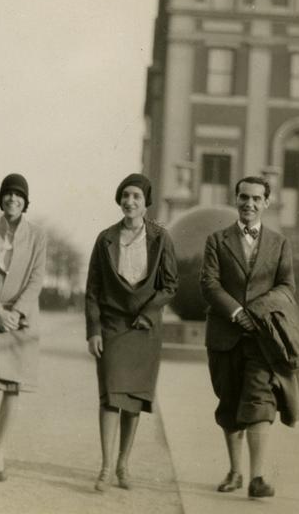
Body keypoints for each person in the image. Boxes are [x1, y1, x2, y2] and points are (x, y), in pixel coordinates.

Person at [200, 176, 299, 499]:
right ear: (236, 199)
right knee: (229, 401)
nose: (249, 204)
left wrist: (254, 311)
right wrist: (235, 312)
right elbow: (209, 284)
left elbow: (286, 287)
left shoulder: (280, 243)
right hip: (225, 336)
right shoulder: (217, 240)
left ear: (267, 203)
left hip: (262, 337)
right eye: (244, 197)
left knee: (260, 400)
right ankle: (235, 471)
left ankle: (258, 477)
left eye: (257, 199)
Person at [85, 173, 178, 492]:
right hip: (112, 325)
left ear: (146, 202)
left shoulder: (161, 237)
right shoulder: (105, 238)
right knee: (111, 396)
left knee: (134, 398)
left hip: (145, 328)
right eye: (125, 195)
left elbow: (169, 285)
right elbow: (93, 290)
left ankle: (124, 464)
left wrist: (149, 313)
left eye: (137, 196)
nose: (130, 201)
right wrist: (93, 330)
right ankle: (106, 466)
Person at [0, 173, 47, 481]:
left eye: (18, 195)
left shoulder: (38, 235)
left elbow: (36, 279)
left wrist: (16, 312)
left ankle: (0, 451)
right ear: (1, 198)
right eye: (8, 194)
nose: (13, 199)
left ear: (25, 201)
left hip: (22, 320)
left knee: (12, 385)